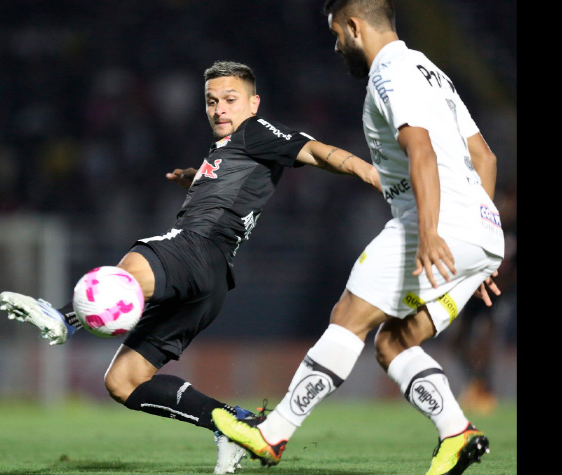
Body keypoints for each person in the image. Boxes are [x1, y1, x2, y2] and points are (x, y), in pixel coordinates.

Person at [0, 60, 380, 475]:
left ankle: (63, 318)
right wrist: (194, 177)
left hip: (197, 248)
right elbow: (234, 183)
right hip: (210, 283)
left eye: (230, 100)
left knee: (135, 261)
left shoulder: (257, 130)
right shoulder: (231, 147)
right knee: (123, 381)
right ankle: (231, 422)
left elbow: (318, 151)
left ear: (253, 103)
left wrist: (371, 172)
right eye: (212, 101)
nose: (220, 110)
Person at [212, 2, 505, 475]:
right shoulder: (431, 71)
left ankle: (272, 434)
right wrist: (481, 245)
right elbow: (485, 158)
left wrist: (430, 232)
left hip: (438, 220)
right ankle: (457, 433)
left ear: (353, 26)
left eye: (336, 34)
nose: (335, 46)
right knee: (394, 343)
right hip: (482, 231)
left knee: (348, 316)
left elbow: (421, 151)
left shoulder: (390, 73)